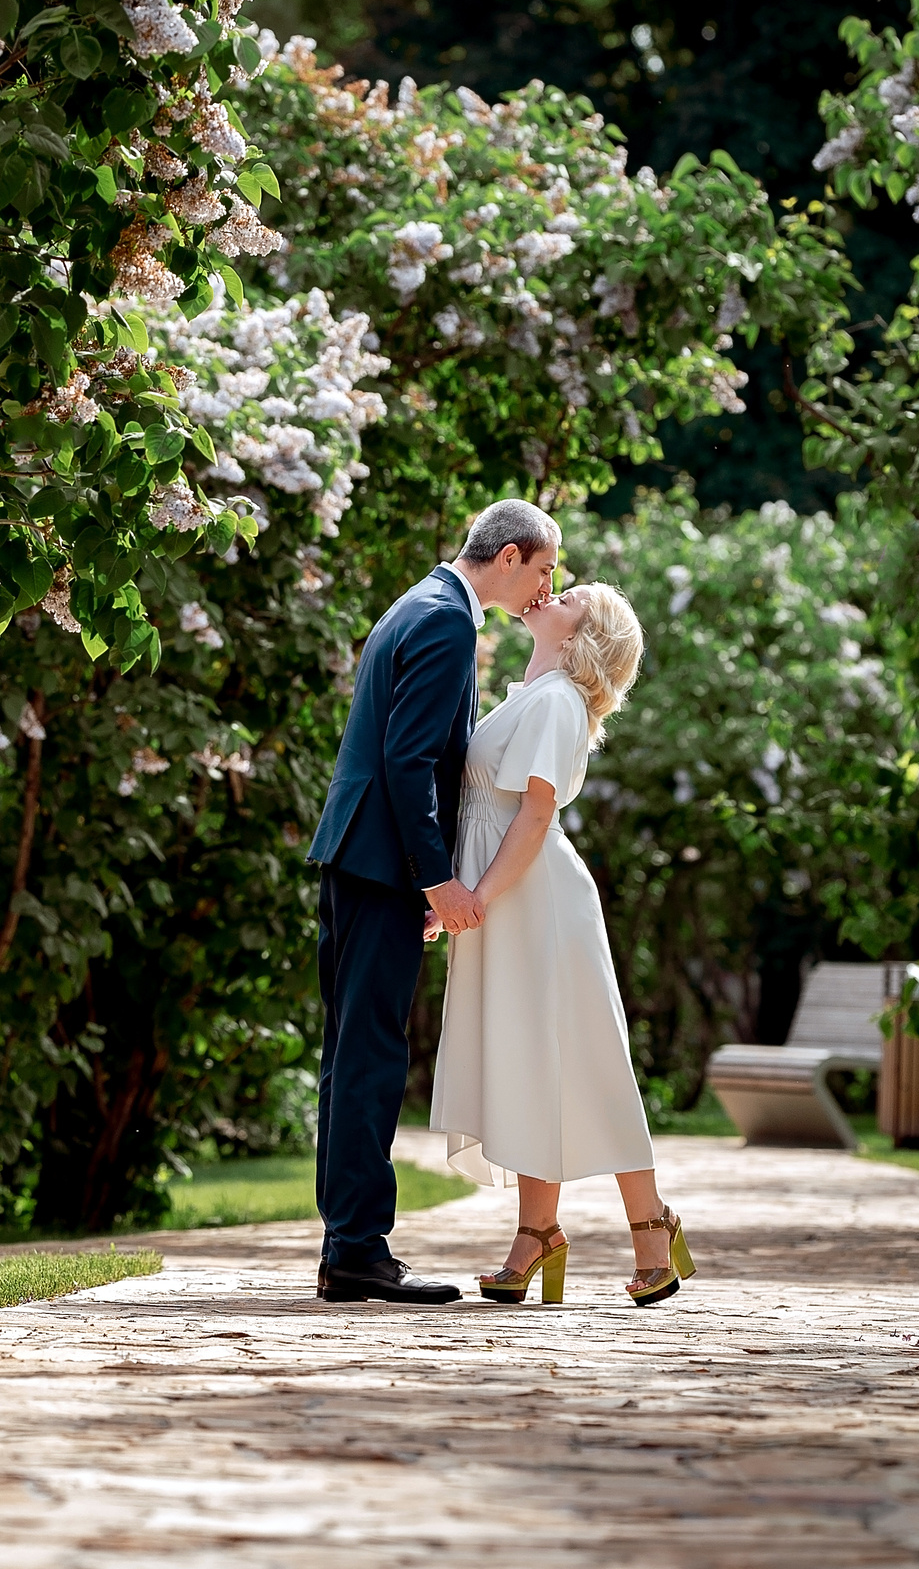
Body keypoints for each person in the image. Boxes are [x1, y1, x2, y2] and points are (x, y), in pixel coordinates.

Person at [304, 499, 560, 1304]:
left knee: (350, 1056)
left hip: (358, 857)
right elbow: (409, 762)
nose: (547, 587)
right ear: (512, 555)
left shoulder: (421, 600)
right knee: (371, 1055)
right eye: (547, 569)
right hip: (381, 864)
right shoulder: (450, 620)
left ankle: (347, 1248)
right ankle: (357, 1252)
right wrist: (436, 879)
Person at [428, 580, 698, 1305]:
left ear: (586, 632)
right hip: (506, 895)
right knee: (530, 1061)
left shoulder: (555, 702)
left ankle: (651, 1226)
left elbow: (535, 818)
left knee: (584, 1060)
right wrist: (455, 895)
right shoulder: (532, 693)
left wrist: (476, 896)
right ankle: (538, 1233)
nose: (552, 589)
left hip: (535, 900)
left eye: (572, 593)